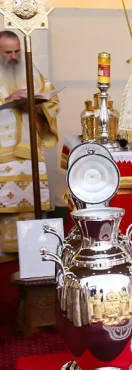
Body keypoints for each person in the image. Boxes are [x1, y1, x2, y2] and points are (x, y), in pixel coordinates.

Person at [0, 31, 58, 260]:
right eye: (7, 52)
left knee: (32, 201)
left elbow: (52, 100)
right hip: (2, 154)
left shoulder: (31, 71)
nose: (14, 57)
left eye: (17, 51)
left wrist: (36, 105)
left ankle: (35, 256)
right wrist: (7, 100)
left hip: (29, 151)